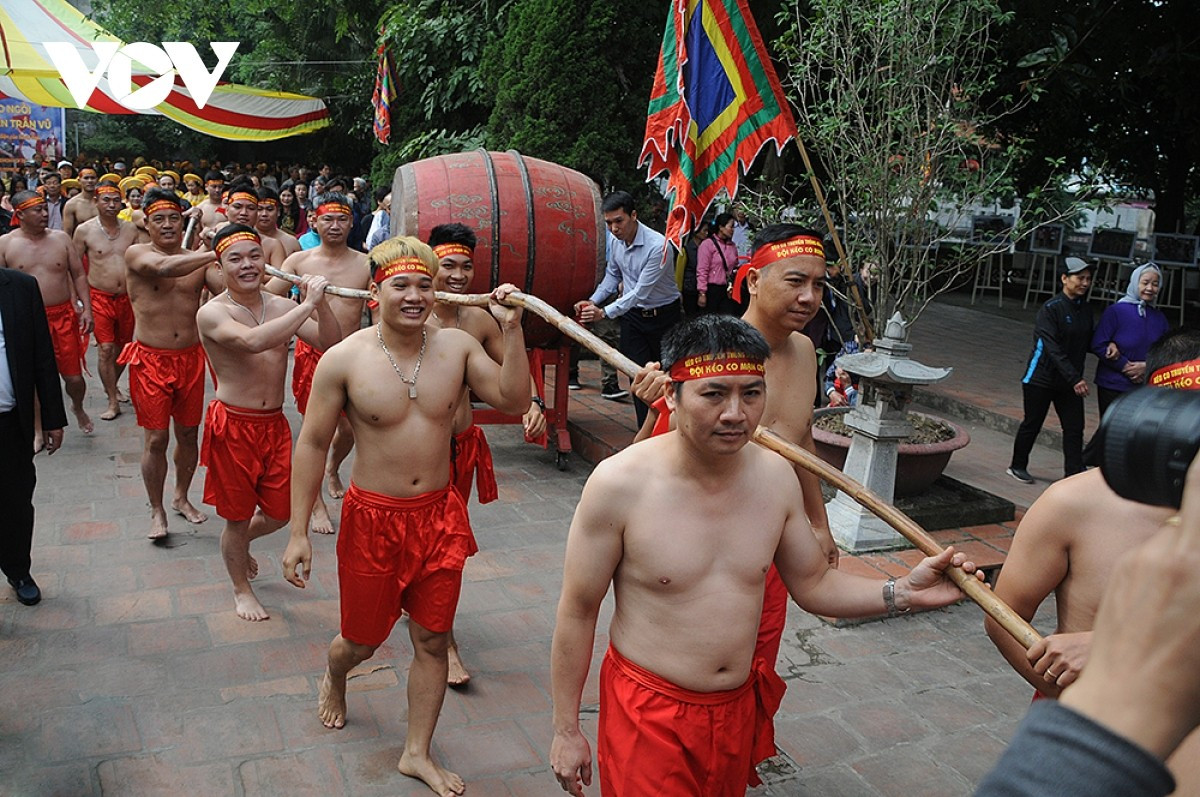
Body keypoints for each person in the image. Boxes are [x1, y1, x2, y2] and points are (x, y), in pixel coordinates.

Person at [551, 315, 980, 797]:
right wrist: (567, 729)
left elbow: (815, 584)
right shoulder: (618, 484)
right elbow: (578, 609)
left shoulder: (776, 477)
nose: (736, 413)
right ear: (671, 394)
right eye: (713, 394)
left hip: (735, 713)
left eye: (751, 393)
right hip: (650, 711)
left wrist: (902, 591)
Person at [281, 236, 531, 797]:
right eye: (402, 285)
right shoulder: (344, 359)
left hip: (439, 517)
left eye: (425, 284)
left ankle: (416, 752)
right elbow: (313, 443)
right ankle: (336, 673)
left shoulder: (458, 347)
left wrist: (512, 330)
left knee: (433, 641)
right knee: (361, 641)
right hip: (373, 521)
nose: (415, 295)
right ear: (376, 292)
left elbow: (514, 400)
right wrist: (298, 531)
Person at [984, 327, 1200, 791]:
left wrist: (1105, 652)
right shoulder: (1074, 502)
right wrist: (1083, 694)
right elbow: (1004, 616)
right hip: (1092, 741)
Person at [634, 225, 840, 674]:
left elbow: (801, 438)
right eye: (794, 281)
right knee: (696, 659)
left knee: (759, 655)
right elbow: (645, 464)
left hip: (774, 531)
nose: (809, 297)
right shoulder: (711, 359)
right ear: (753, 281)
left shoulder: (805, 349)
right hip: (707, 545)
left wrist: (818, 523)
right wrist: (655, 411)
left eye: (818, 285)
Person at [424, 223, 548, 686]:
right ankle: (429, 622)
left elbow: (509, 369)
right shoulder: (408, 313)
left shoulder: (479, 319)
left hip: (462, 450)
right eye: (447, 265)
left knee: (448, 549)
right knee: (425, 549)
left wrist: (533, 401)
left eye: (466, 266)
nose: (457, 276)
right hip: (415, 457)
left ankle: (444, 638)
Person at [197, 224, 341, 621]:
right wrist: (307, 304)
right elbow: (252, 342)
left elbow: (330, 342)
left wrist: (322, 304)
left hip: (275, 424)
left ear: (266, 259)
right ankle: (241, 589)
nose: (247, 265)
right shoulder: (212, 312)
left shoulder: (279, 306)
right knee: (237, 516)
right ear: (218, 265)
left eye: (254, 256)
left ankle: (239, 545)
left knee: (281, 513)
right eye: (235, 258)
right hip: (234, 425)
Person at [264, 192, 369, 535]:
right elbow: (267, 297)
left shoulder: (366, 264)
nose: (335, 225)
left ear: (351, 222)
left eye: (342, 219)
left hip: (353, 355)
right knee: (316, 431)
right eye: (328, 219)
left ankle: (332, 468)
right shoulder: (298, 262)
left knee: (351, 429)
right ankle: (316, 504)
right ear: (314, 221)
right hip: (313, 357)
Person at [122, 188, 224, 540]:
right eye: (159, 219)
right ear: (146, 224)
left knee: (187, 434)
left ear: (183, 221)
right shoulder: (138, 253)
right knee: (156, 438)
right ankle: (156, 509)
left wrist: (232, 255)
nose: (167, 225)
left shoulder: (197, 260)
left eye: (174, 218)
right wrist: (214, 250)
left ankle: (181, 497)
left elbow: (228, 288)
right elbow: (164, 268)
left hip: (191, 359)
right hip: (151, 359)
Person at [575, 191, 681, 427]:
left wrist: (604, 312)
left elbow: (641, 291)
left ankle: (667, 430)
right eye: (609, 223)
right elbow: (612, 275)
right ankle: (646, 430)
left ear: (634, 216)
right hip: (634, 318)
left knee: (667, 378)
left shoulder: (658, 247)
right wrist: (593, 301)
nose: (614, 228)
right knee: (638, 377)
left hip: (664, 317)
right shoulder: (615, 241)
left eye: (619, 221)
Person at [0, 191, 93, 442]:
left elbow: (79, 275)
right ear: (19, 214)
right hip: (24, 320)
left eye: (44, 209)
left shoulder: (61, 239)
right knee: (30, 375)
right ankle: (38, 427)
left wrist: (86, 308)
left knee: (74, 377)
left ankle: (78, 406)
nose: (44, 214)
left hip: (62, 315)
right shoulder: (5, 244)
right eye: (37, 210)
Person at [0, 266, 68, 606]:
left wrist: (53, 418)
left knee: (15, 502)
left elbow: (42, 354)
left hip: (11, 422)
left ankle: (17, 569)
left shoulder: (21, 288)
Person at [1007, 256, 1095, 484]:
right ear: (1064, 278)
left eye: (1088, 279)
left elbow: (1089, 340)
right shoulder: (1051, 309)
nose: (1085, 283)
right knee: (1033, 423)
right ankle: (1017, 466)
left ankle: (1073, 473)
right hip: (1040, 378)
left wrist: (1109, 349)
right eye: (1080, 278)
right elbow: (1053, 349)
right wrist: (1075, 378)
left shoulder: (1085, 309)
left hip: (1069, 381)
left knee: (1075, 428)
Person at [73, 181, 138, 421]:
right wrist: (79, 303)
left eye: (115, 200)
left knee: (122, 351)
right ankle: (112, 400)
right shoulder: (85, 230)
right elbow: (75, 268)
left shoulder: (131, 229)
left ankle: (114, 384)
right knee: (105, 349)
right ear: (96, 202)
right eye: (106, 200)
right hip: (99, 297)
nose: (111, 205)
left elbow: (142, 261)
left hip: (127, 298)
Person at [1090, 262, 1169, 417]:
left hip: (1143, 388)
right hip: (1113, 384)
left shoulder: (1160, 318)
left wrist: (1147, 367)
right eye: (1145, 283)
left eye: (1155, 284)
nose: (1150, 288)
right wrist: (1125, 366)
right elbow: (1098, 343)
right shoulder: (1116, 311)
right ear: (1134, 283)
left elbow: (1166, 351)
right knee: (1110, 432)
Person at [696, 212, 739, 315]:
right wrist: (702, 292)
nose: (733, 230)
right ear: (721, 227)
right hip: (712, 289)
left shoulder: (732, 246)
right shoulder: (707, 245)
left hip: (727, 289)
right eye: (731, 227)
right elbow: (702, 270)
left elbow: (735, 265)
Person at [255, 186, 301, 259]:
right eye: (259, 209)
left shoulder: (291, 242)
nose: (264, 214)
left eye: (269, 209)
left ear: (278, 211)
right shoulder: (244, 239)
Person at [62, 166, 99, 237]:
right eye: (86, 178)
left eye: (92, 178)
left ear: (97, 180)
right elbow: (68, 233)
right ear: (79, 181)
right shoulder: (71, 204)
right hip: (81, 244)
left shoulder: (104, 202)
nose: (90, 181)